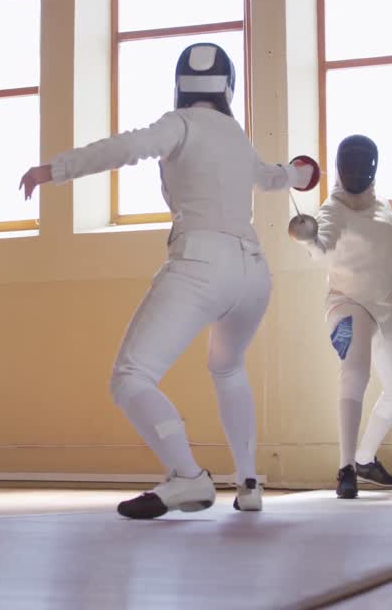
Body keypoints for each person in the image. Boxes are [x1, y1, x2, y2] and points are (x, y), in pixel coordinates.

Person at [20, 43, 319, 518]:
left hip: (202, 263)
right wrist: (302, 173)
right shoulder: (236, 136)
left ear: (180, 84)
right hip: (253, 272)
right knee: (228, 368)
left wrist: (53, 170)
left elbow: (127, 147)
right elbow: (273, 177)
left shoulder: (179, 124)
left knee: (131, 377)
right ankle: (248, 483)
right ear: (228, 87)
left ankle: (187, 476)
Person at [288, 135, 392, 499]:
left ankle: (364, 459)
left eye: (364, 163)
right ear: (340, 167)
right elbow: (323, 250)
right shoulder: (332, 209)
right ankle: (346, 468)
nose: (358, 170)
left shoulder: (382, 205)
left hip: (385, 306)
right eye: (352, 164)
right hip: (346, 304)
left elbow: (380, 253)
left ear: (374, 167)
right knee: (356, 372)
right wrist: (308, 238)